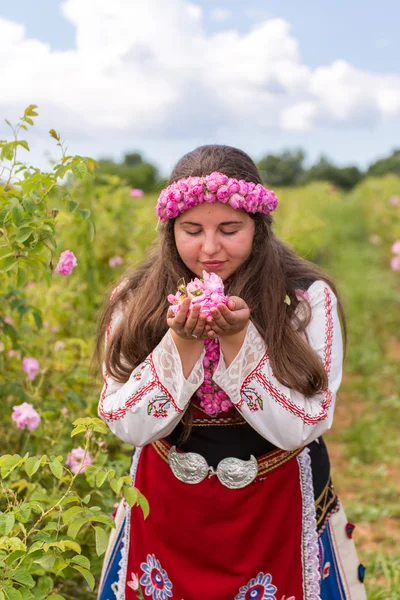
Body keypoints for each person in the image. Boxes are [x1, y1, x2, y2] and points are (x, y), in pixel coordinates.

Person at [96, 145, 367, 600]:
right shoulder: (136, 297)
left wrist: (239, 343)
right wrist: (181, 343)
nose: (209, 249)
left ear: (259, 229)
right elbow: (127, 424)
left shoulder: (305, 299)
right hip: (166, 509)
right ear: (170, 230)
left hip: (277, 506)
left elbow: (304, 423)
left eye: (229, 229)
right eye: (191, 230)